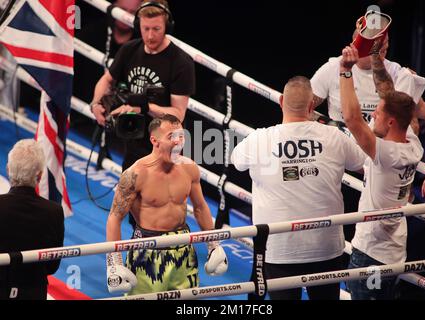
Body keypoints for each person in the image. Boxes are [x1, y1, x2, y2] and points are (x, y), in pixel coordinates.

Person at [230, 76, 367, 300]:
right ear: (312, 104)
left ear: (281, 101)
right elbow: (367, 165)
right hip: (325, 248)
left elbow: (237, 161)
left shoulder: (259, 139)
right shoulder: (334, 137)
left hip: (280, 250)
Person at [105, 115, 227, 295]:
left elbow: (200, 207)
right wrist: (114, 262)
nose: (178, 141)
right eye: (171, 136)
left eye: (181, 135)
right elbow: (114, 218)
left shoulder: (189, 168)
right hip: (147, 251)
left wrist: (213, 245)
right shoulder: (136, 174)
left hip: (183, 249)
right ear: (155, 140)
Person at [339, 43, 424, 300]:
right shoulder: (413, 143)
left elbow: (352, 119)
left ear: (390, 122)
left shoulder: (386, 154)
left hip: (371, 254)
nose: (372, 113)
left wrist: (345, 70)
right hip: (395, 251)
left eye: (378, 112)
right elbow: (395, 101)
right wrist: (376, 57)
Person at [90, 0, 195, 171]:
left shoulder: (181, 63)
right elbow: (106, 80)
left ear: (167, 27)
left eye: (156, 29)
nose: (150, 36)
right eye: (146, 29)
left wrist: (145, 107)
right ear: (138, 24)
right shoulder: (129, 50)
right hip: (133, 139)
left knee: (157, 197)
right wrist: (95, 103)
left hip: (165, 146)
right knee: (127, 195)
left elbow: (178, 115)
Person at [0, 140, 65, 300]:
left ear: (8, 170)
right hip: (33, 292)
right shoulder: (54, 211)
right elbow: (51, 266)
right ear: (40, 175)